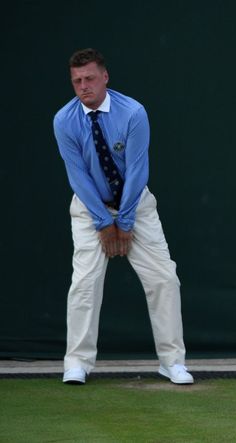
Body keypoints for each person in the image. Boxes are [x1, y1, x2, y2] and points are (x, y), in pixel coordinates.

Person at [53, 48, 193, 385]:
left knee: (164, 279)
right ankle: (78, 363)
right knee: (85, 282)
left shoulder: (133, 113)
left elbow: (137, 170)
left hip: (136, 205)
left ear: (104, 77)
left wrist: (125, 221)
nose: (83, 86)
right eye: (77, 81)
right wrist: (104, 222)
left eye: (89, 78)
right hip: (90, 209)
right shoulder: (64, 120)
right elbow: (78, 177)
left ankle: (172, 361)